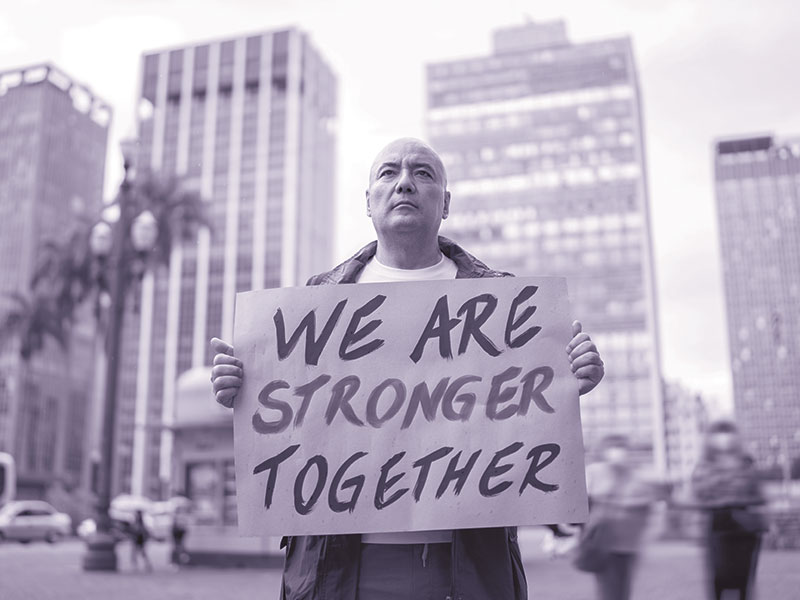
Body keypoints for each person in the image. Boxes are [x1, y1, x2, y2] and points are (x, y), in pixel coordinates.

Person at [210, 138, 605, 600]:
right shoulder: (316, 300)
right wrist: (242, 388)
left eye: (423, 173)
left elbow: (526, 415)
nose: (404, 184)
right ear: (368, 202)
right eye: (388, 173)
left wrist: (571, 378)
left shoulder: (502, 303)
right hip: (341, 568)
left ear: (446, 202)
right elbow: (291, 429)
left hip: (468, 568)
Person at [579, 434, 659, 600]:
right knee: (608, 588)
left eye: (622, 447)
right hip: (603, 540)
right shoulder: (594, 472)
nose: (619, 452)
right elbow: (584, 502)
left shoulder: (634, 474)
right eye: (614, 447)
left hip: (630, 542)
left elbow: (647, 502)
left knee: (623, 588)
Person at [692, 420, 765, 600]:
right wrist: (721, 496)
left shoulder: (746, 463)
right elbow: (698, 493)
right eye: (719, 433)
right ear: (710, 439)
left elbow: (759, 495)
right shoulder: (704, 465)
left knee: (743, 578)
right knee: (719, 577)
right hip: (717, 523)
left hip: (745, 525)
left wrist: (735, 498)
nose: (724, 438)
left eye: (727, 433)